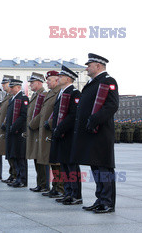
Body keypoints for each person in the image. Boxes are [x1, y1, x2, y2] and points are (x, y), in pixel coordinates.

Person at [71, 53, 119, 213]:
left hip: (101, 132)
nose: (86, 68)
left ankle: (108, 202)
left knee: (104, 168)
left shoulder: (108, 81)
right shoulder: (94, 83)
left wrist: (94, 120)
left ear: (98, 66)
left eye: (89, 65)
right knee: (96, 167)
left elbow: (111, 106)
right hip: (92, 132)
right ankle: (100, 199)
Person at [50, 65, 82, 205]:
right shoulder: (62, 93)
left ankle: (76, 195)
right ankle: (68, 192)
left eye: (61, 76)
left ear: (68, 78)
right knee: (63, 165)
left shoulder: (74, 93)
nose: (58, 78)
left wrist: (60, 129)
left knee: (71, 166)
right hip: (60, 135)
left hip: (68, 135)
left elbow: (74, 115)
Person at [38, 71, 65, 198]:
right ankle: (55, 186)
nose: (47, 82)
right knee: (52, 161)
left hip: (52, 129)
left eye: (49, 80)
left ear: (56, 80)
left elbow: (60, 111)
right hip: (47, 130)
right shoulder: (51, 93)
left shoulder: (59, 92)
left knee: (57, 162)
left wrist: (50, 122)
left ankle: (60, 188)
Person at [3, 79, 29, 188]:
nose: (11, 89)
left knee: (20, 157)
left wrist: (14, 126)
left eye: (12, 87)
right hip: (12, 132)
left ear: (18, 87)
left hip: (18, 133)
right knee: (14, 157)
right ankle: (18, 177)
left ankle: (22, 179)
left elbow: (23, 116)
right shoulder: (12, 99)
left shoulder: (23, 98)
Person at [26, 72, 48, 192]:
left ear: (39, 83)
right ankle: (40, 183)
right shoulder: (35, 95)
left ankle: (44, 184)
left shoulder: (43, 94)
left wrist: (32, 124)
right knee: (36, 158)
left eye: (32, 83)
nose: (30, 85)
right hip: (33, 131)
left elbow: (41, 113)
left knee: (41, 159)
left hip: (38, 130)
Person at [0, 75, 16, 184]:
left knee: (11, 153)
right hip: (5, 128)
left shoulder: (11, 97)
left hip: (8, 127)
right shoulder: (6, 96)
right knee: (8, 153)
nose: (3, 85)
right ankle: (12, 174)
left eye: (5, 83)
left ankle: (14, 174)